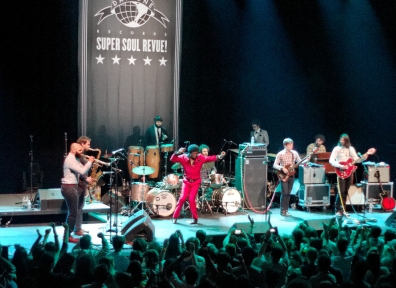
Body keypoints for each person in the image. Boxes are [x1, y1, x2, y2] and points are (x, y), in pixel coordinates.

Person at [170, 144, 226, 224]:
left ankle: (195, 219)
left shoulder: (200, 157)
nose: (196, 155)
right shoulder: (183, 157)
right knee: (182, 198)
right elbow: (172, 159)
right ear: (189, 153)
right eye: (194, 153)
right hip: (186, 181)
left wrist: (220, 156)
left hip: (196, 182)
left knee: (192, 200)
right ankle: (175, 217)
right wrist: (178, 152)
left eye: (197, 153)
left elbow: (210, 158)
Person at [329, 134, 369, 216]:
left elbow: (356, 160)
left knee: (346, 191)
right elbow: (331, 160)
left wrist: (364, 156)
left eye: (343, 140)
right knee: (341, 191)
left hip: (349, 172)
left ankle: (343, 209)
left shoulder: (351, 149)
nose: (341, 141)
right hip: (340, 171)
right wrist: (340, 166)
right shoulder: (336, 148)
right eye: (341, 139)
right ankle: (338, 209)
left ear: (347, 141)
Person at [61, 143, 94, 243]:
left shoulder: (73, 158)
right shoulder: (70, 160)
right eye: (80, 150)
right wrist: (90, 162)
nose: (81, 152)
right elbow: (82, 170)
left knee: (73, 212)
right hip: (69, 188)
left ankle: (70, 233)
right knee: (73, 214)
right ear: (74, 150)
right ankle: (67, 236)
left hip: (73, 187)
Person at [273, 138, 302, 217]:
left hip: (291, 175)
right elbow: (275, 165)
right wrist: (282, 168)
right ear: (285, 145)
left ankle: (286, 210)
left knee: (288, 193)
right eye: (290, 144)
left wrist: (306, 160)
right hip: (284, 175)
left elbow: (300, 161)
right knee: (284, 193)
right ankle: (282, 210)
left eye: (292, 144)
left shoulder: (294, 153)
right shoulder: (280, 154)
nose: (292, 146)